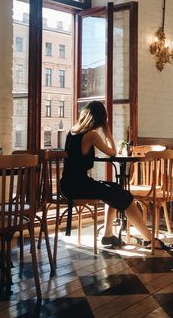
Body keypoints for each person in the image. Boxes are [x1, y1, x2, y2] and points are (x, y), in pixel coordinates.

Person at [60, 100, 153, 247]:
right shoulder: (92, 136)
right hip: (79, 186)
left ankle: (108, 235)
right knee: (125, 197)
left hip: (67, 184)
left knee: (113, 189)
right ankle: (150, 240)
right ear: (100, 119)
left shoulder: (72, 132)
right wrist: (107, 131)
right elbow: (112, 152)